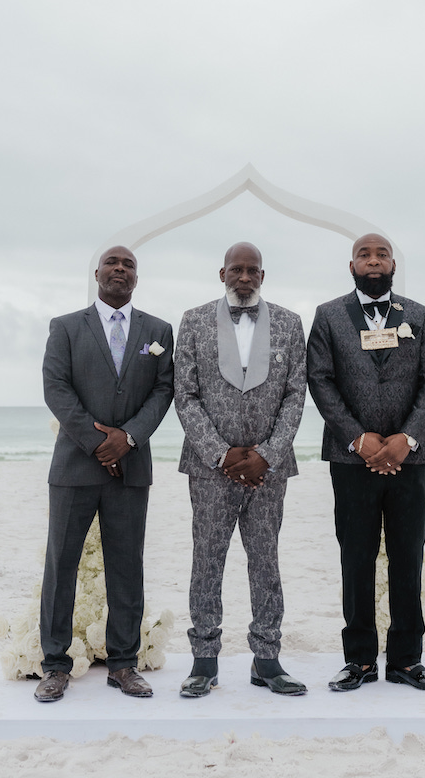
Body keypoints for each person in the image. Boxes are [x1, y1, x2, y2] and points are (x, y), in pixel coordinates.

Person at [307, 233, 425, 693]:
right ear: (352, 266)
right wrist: (358, 439)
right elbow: (320, 380)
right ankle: (360, 661)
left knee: (407, 558)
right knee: (356, 559)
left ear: (393, 265)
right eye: (364, 255)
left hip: (410, 460)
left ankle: (407, 661)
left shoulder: (419, 316)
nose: (373, 260)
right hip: (352, 462)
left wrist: (405, 440)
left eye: (382, 254)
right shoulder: (328, 316)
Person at [34, 245, 174, 702]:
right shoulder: (67, 327)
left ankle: (123, 664)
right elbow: (56, 387)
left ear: (137, 277)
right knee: (62, 566)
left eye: (128, 264)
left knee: (127, 567)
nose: (119, 268)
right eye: (112, 263)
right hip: (74, 468)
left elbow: (162, 391)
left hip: (130, 470)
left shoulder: (158, 331)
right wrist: (97, 442)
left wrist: (128, 438)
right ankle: (54, 665)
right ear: (97, 273)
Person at [174, 241, 307, 697]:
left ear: (263, 276)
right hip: (211, 470)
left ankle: (267, 662)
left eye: (253, 270)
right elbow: (185, 394)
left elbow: (295, 395)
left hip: (269, 470)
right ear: (222, 273)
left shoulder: (290, 324)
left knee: (266, 562)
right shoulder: (192, 321)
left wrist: (266, 453)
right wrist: (219, 452)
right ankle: (203, 663)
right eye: (237, 269)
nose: (244, 277)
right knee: (207, 562)